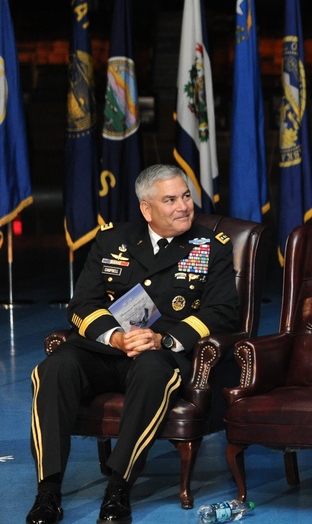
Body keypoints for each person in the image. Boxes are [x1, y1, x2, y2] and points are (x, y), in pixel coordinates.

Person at [26, 164, 239, 524]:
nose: (183, 206)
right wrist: (116, 336)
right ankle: (48, 491)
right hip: (105, 349)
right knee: (54, 368)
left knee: (154, 371)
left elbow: (223, 312)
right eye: (170, 200)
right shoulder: (112, 240)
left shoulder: (211, 246)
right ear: (146, 208)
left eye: (185, 196)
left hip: (160, 354)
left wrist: (165, 339)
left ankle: (119, 489)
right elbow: (83, 305)